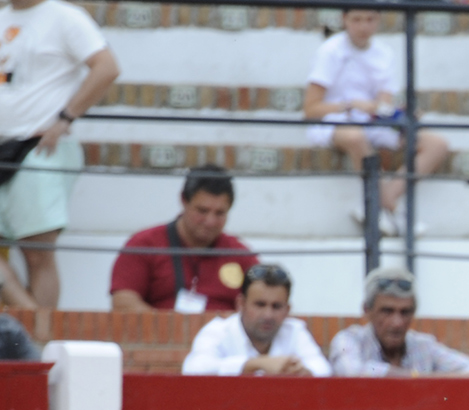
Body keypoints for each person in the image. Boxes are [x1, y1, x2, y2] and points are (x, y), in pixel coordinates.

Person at [0, 0, 119, 332]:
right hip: (5, 146)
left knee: (38, 253)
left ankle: (39, 338)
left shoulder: (64, 16)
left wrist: (65, 118)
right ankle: (33, 330)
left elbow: (107, 66)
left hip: (41, 147)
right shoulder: (3, 17)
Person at [303, 9, 449, 236]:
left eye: (370, 20)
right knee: (355, 137)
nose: (363, 27)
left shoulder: (383, 53)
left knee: (436, 144)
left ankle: (384, 202)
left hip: (372, 122)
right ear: (345, 20)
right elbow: (311, 109)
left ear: (378, 21)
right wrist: (351, 105)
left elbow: (383, 103)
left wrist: (401, 112)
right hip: (334, 121)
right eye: (357, 20)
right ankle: (393, 210)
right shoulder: (330, 50)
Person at [110, 167, 259, 314]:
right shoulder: (145, 244)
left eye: (220, 213)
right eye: (202, 211)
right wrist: (170, 327)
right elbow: (122, 303)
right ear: (183, 201)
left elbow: (265, 303)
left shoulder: (240, 254)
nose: (210, 221)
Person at [328, 266, 469, 377]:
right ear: (367, 310)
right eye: (387, 311)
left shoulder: (424, 345)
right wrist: (417, 378)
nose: (397, 322)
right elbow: (351, 371)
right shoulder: (349, 340)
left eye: (405, 312)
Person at [181, 264, 331, 377]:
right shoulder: (218, 331)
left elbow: (323, 370)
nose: (268, 315)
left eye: (276, 306)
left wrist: (304, 372)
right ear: (241, 304)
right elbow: (193, 368)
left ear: (287, 310)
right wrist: (257, 364)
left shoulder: (295, 331)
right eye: (260, 305)